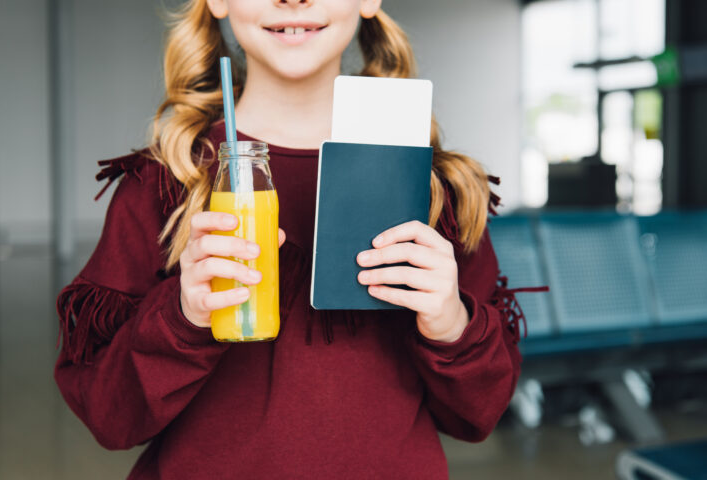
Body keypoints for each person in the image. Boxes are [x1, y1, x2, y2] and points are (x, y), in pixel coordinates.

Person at [54, 0, 534, 478]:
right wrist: (181, 316)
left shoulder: (437, 190)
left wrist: (451, 324)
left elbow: (478, 415)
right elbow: (108, 419)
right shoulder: (162, 183)